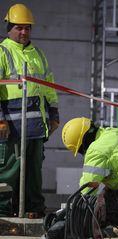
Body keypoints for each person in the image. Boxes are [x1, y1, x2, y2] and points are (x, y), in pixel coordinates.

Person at [0, 4, 59, 217]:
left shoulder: (38, 54)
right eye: (19, 28)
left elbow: (50, 87)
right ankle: (2, 210)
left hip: (36, 126)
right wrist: (0, 120)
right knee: (10, 170)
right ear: (9, 27)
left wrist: (54, 115)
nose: (24, 32)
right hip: (12, 127)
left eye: (27, 28)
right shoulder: (2, 52)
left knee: (34, 171)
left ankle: (34, 208)